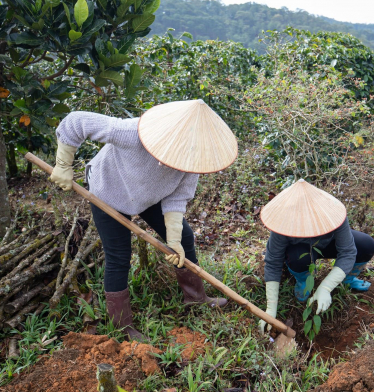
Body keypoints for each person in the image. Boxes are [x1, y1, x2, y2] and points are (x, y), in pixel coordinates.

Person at [50, 99, 238, 341]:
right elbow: (76, 122)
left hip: (148, 196)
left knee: (185, 236)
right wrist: (63, 165)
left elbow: (177, 198)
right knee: (119, 256)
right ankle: (122, 326)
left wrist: (173, 239)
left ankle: (195, 298)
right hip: (108, 191)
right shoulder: (132, 133)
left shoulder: (192, 160)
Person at [257, 179, 374, 333]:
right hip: (301, 251)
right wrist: (270, 308)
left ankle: (348, 278)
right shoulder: (283, 225)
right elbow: (273, 262)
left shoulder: (333, 214)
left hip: (328, 244)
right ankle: (303, 281)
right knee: (297, 256)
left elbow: (348, 252)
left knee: (366, 245)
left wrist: (326, 287)